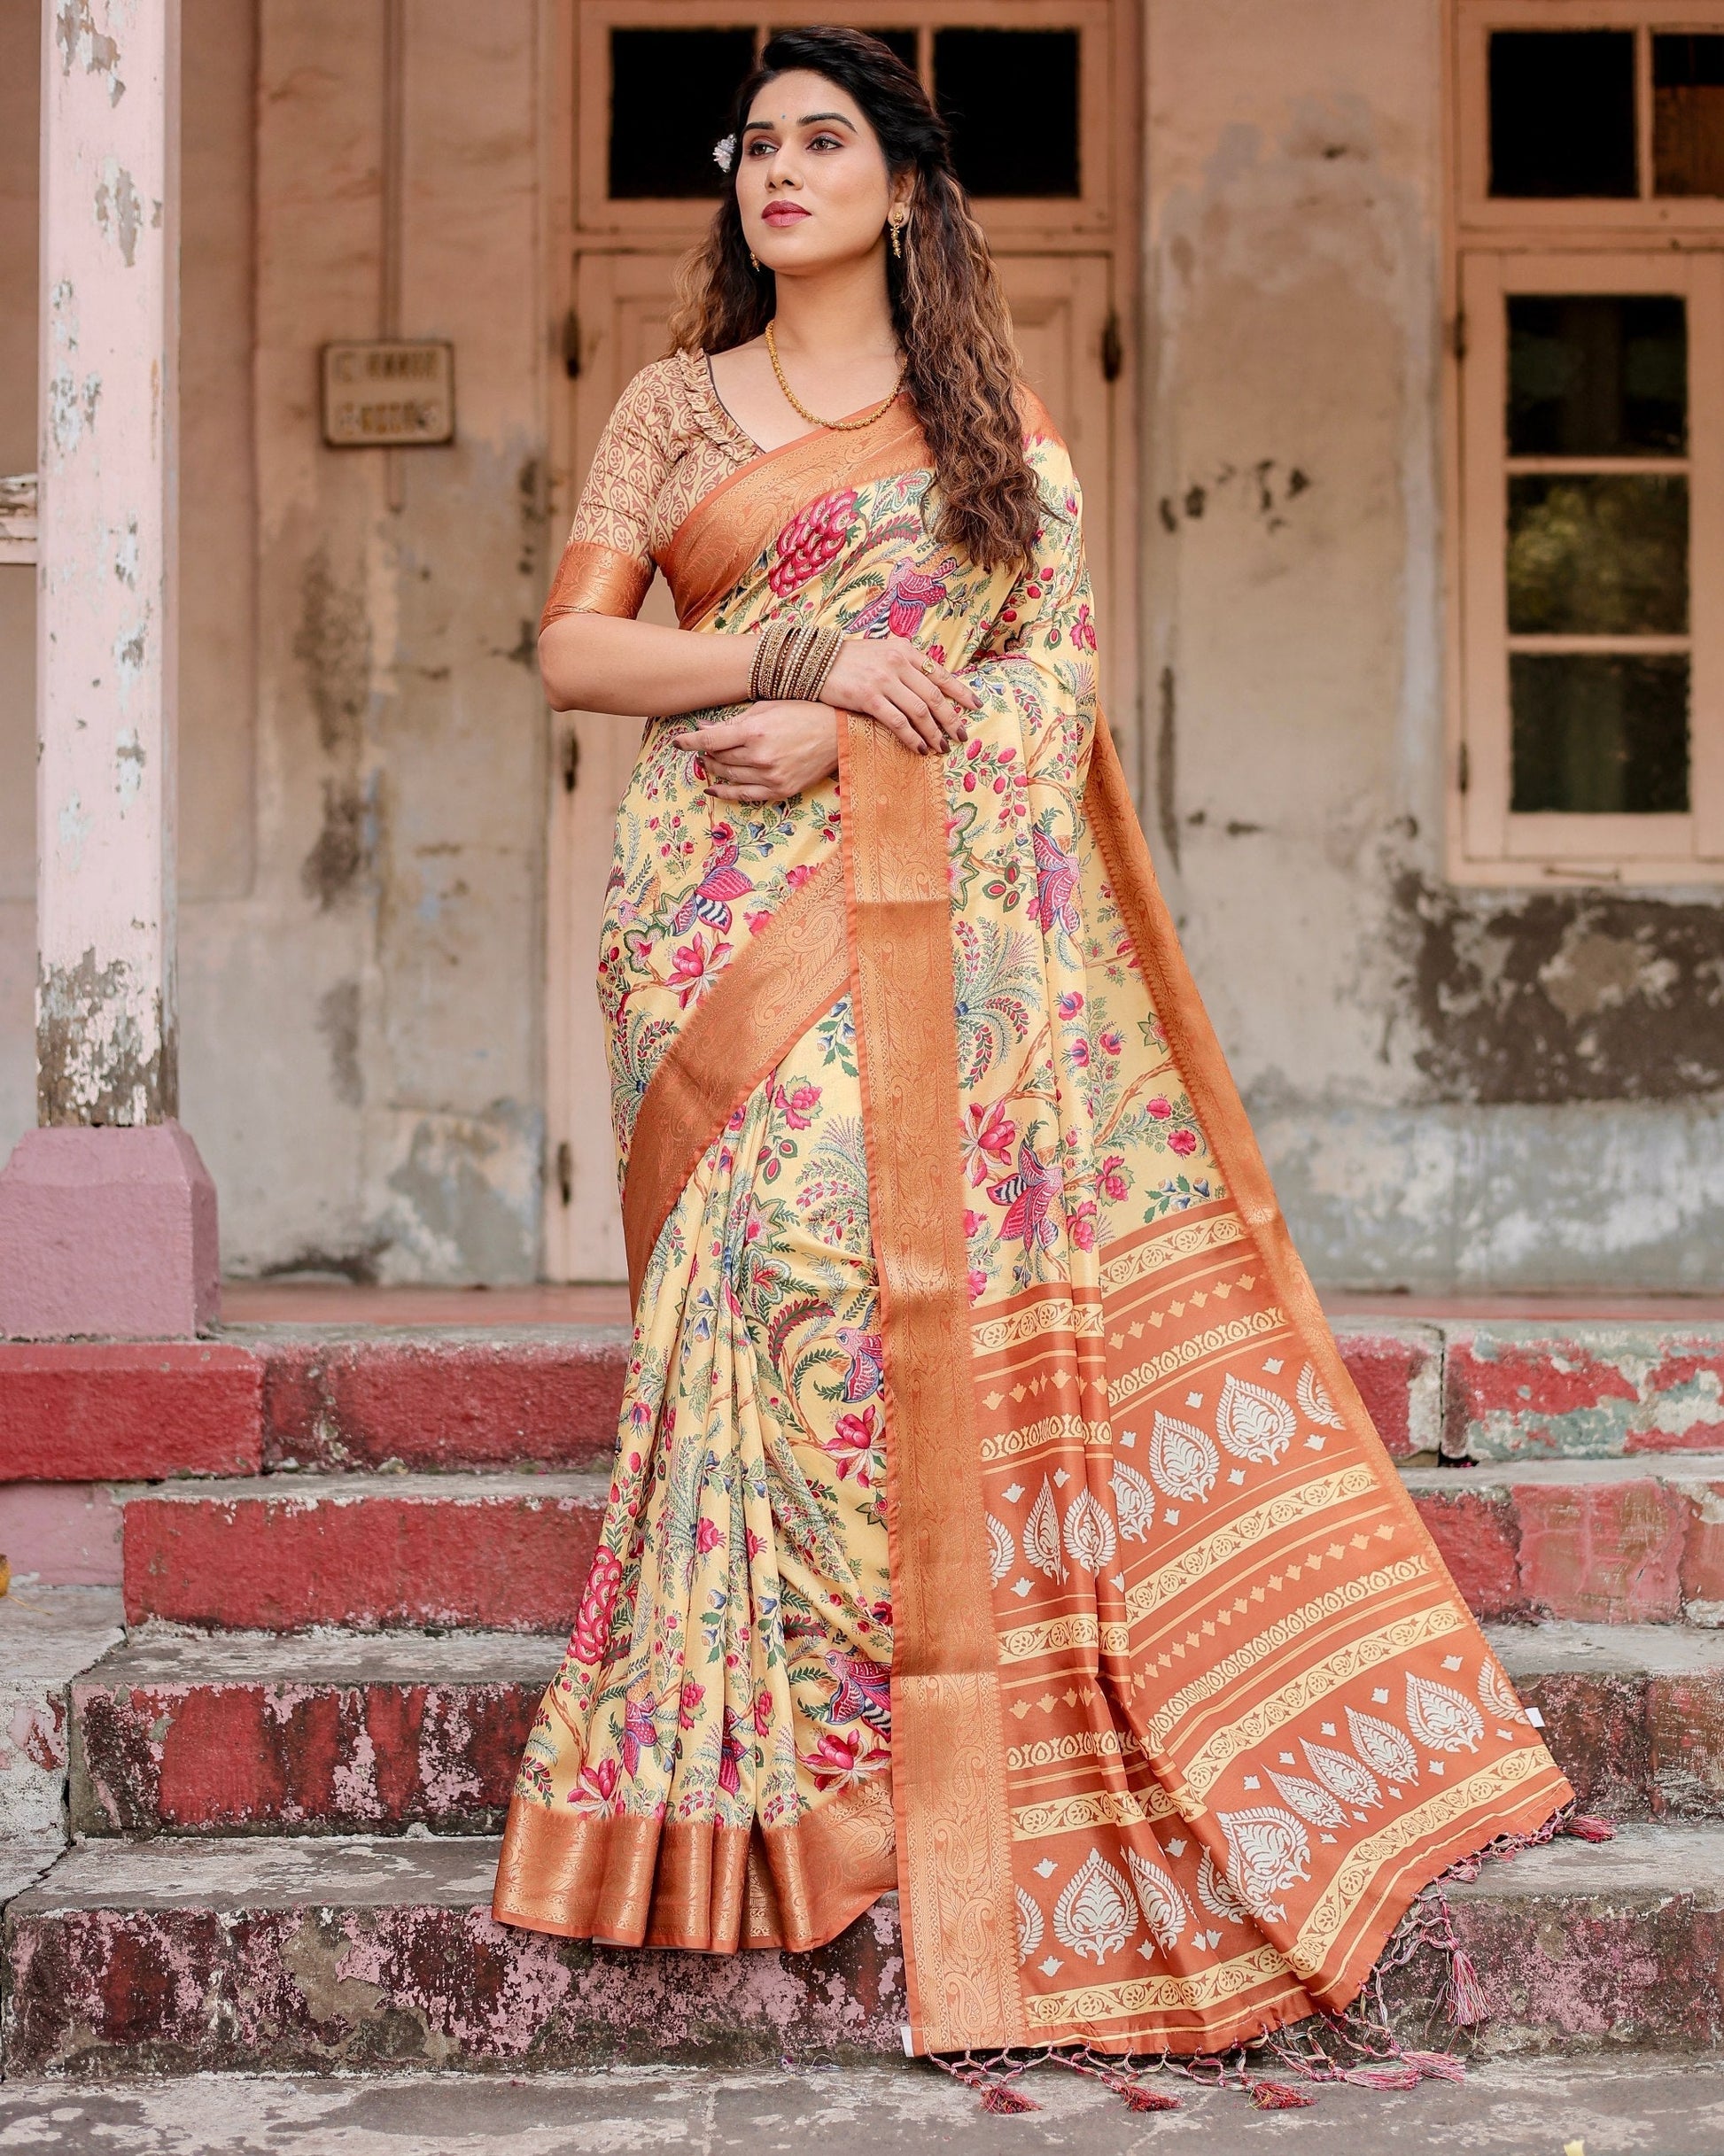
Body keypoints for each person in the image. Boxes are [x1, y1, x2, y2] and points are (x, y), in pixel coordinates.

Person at [493, 24, 1573, 2077]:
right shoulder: (668, 404)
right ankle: (775, 1775)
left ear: (903, 186)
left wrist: (853, 730)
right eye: (756, 146)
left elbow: (1050, 690)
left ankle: (883, 1743)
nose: (778, 171)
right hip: (708, 905)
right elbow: (574, 647)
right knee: (745, 1280)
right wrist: (800, 658)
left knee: (839, 1277)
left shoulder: (990, 433)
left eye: (825, 141)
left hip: (910, 902)